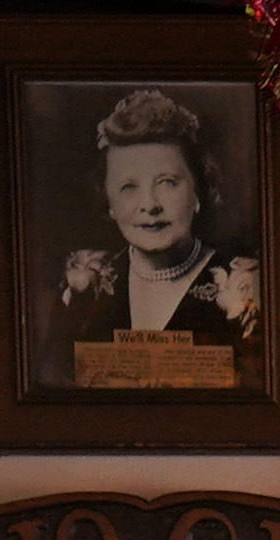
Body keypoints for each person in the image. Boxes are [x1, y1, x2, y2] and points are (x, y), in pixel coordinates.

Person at [60, 85, 257, 359]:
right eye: (129, 186)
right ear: (109, 202)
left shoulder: (245, 285)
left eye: (167, 183)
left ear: (198, 191)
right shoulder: (86, 286)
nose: (150, 205)